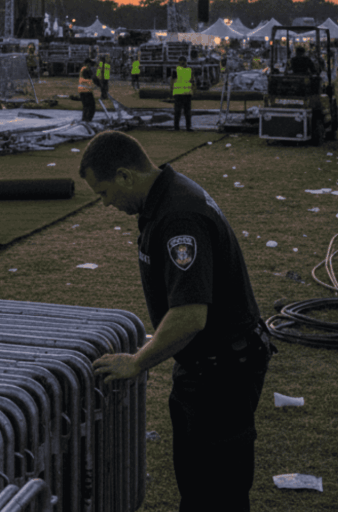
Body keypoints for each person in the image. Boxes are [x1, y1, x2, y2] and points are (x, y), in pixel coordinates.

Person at [80, 131, 274, 512]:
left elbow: (190, 315)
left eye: (103, 193)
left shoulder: (178, 215)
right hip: (212, 366)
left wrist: (137, 361)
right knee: (199, 482)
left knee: (215, 490)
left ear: (124, 176)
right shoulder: (169, 196)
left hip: (222, 373)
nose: (105, 204)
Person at [172, 56, 193, 131]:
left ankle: (176, 127)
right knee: (187, 112)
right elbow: (192, 80)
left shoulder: (176, 70)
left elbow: (173, 81)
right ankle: (188, 127)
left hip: (179, 93)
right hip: (186, 93)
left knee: (178, 111)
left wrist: (172, 91)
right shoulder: (189, 70)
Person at [78, 58, 96, 122]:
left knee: (86, 106)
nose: (91, 65)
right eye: (90, 63)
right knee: (91, 107)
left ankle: (84, 119)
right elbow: (91, 78)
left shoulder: (83, 69)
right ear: (87, 63)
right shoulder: (86, 69)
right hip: (86, 90)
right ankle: (88, 120)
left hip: (82, 90)